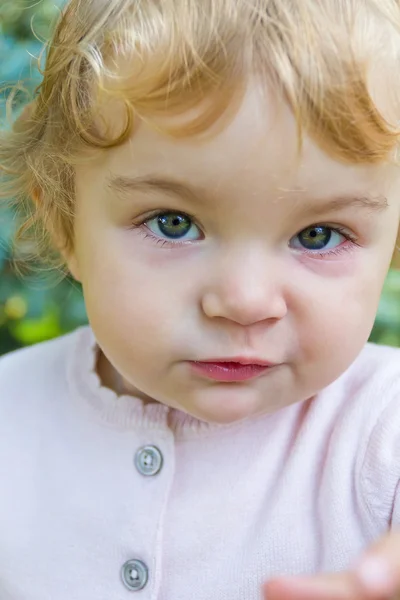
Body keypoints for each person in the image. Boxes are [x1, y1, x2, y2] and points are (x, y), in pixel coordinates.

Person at [1, 0, 400, 598]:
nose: (244, 302)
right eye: (172, 223)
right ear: (64, 220)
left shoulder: (381, 428)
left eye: (318, 235)